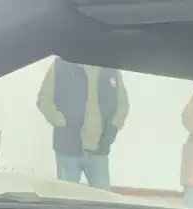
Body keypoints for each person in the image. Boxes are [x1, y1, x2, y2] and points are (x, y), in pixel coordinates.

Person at [36, 58, 129, 190]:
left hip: (99, 150)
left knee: (102, 197)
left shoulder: (110, 69)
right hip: (67, 149)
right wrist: (60, 122)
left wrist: (113, 130)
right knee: (66, 196)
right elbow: (44, 99)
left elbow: (123, 106)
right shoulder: (61, 65)